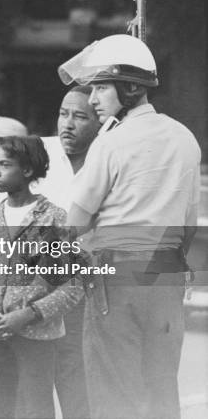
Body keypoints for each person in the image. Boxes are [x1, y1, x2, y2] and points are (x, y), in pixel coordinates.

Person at [60, 34, 201, 419]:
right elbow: (188, 224)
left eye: (102, 88)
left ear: (131, 88)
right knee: (160, 392)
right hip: (168, 276)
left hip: (117, 278)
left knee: (114, 395)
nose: (92, 99)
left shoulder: (111, 143)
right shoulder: (186, 139)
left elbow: (75, 223)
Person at [0, 136, 84, 419]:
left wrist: (29, 314)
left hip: (38, 338)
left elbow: (73, 286)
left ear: (28, 170)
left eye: (4, 164)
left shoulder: (54, 219)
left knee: (35, 411)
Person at [33, 85, 100, 419]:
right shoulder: (38, 152)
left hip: (82, 295)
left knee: (79, 393)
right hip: (31, 293)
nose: (68, 124)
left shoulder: (107, 161)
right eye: (63, 113)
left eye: (79, 116)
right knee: (32, 396)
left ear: (99, 121)